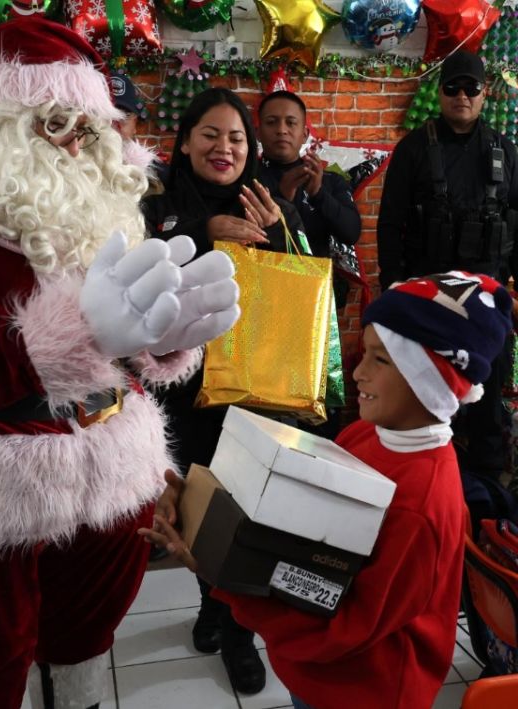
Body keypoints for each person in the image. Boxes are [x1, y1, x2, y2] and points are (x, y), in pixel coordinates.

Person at [0, 17, 239, 709]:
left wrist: (161, 337)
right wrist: (76, 331)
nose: (73, 139)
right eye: (54, 119)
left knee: (84, 638)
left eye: (86, 124)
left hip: (108, 466)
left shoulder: (104, 186)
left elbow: (126, 338)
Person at [142, 270, 514, 709]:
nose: (357, 372)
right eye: (363, 354)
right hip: (315, 672)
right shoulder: (365, 435)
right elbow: (303, 523)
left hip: (363, 689)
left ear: (429, 380)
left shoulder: (421, 506)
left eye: (381, 359)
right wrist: (200, 505)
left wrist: (221, 576)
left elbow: (347, 629)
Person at [142, 87, 308, 697]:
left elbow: (306, 290)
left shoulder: (264, 201)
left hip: (254, 388)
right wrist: (204, 231)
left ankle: (238, 629)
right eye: (210, 134)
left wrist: (282, 230)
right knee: (196, 503)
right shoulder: (155, 201)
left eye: (237, 137)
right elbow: (142, 274)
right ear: (185, 142)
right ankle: (209, 603)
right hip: (182, 386)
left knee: (244, 511)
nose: (225, 147)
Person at [377, 49, 518, 483]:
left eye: (471, 88)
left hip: (486, 295)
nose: (462, 95)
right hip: (428, 292)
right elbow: (390, 224)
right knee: (425, 387)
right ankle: (424, 476)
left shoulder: (505, 151)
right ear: (440, 94)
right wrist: (393, 292)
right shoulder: (414, 149)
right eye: (452, 87)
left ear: (484, 95)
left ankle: (488, 484)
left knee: (488, 387)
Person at [256, 89, 361, 307]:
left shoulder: (330, 181)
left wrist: (319, 194)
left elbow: (351, 233)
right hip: (260, 293)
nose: (281, 130)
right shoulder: (247, 180)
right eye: (272, 122)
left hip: (314, 297)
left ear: (304, 134)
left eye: (291, 123)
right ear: (258, 132)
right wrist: (281, 198)